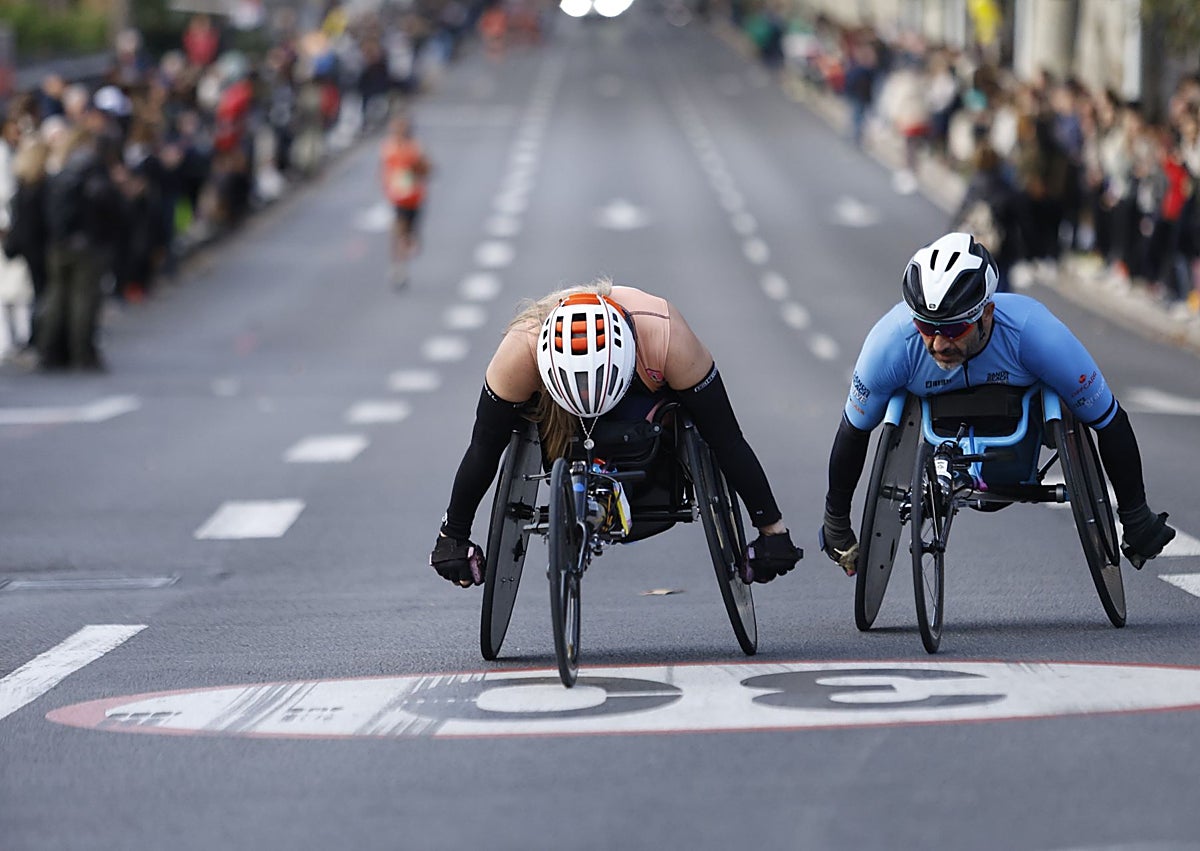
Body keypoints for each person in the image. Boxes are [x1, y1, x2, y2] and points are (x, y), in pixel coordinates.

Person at [819, 231, 1176, 576]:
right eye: (926, 327)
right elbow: (853, 430)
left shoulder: (1034, 332)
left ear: (987, 313)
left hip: (1021, 433)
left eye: (955, 328)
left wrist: (1135, 516)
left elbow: (1108, 418)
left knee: (1085, 404)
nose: (939, 343)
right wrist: (835, 523)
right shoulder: (890, 343)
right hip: (940, 432)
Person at [430, 280, 803, 587]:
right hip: (558, 414)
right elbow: (483, 448)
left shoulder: (666, 334)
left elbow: (725, 437)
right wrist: (452, 536)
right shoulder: (522, 349)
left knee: (699, 422)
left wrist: (773, 530)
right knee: (504, 431)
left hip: (643, 404)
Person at [379, 113, 430, 290]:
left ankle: (410, 244)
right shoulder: (388, 147)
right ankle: (399, 269)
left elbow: (428, 170)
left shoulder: (415, 149)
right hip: (397, 198)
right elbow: (384, 170)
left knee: (409, 239)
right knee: (397, 233)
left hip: (414, 198)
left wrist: (416, 167)